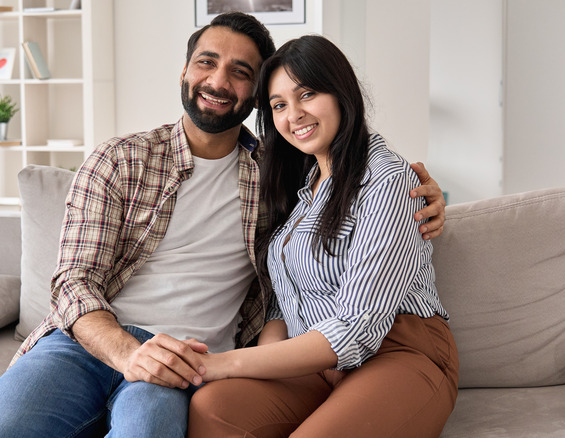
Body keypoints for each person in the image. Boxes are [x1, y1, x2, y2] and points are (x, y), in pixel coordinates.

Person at [0, 14, 447, 438]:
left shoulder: (276, 173)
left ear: (252, 96)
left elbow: (364, 179)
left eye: (241, 73)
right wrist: (130, 355)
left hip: (190, 356)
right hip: (89, 346)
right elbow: (72, 282)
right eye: (207, 62)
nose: (218, 81)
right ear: (185, 70)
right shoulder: (121, 159)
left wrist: (430, 195)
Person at [187, 35, 459, 437]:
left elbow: (356, 325)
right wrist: (262, 370)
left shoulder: (389, 181)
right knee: (213, 408)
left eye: (307, 94)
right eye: (279, 105)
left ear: (341, 92)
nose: (294, 114)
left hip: (398, 351)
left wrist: (224, 364)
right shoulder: (300, 182)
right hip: (314, 362)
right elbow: (283, 305)